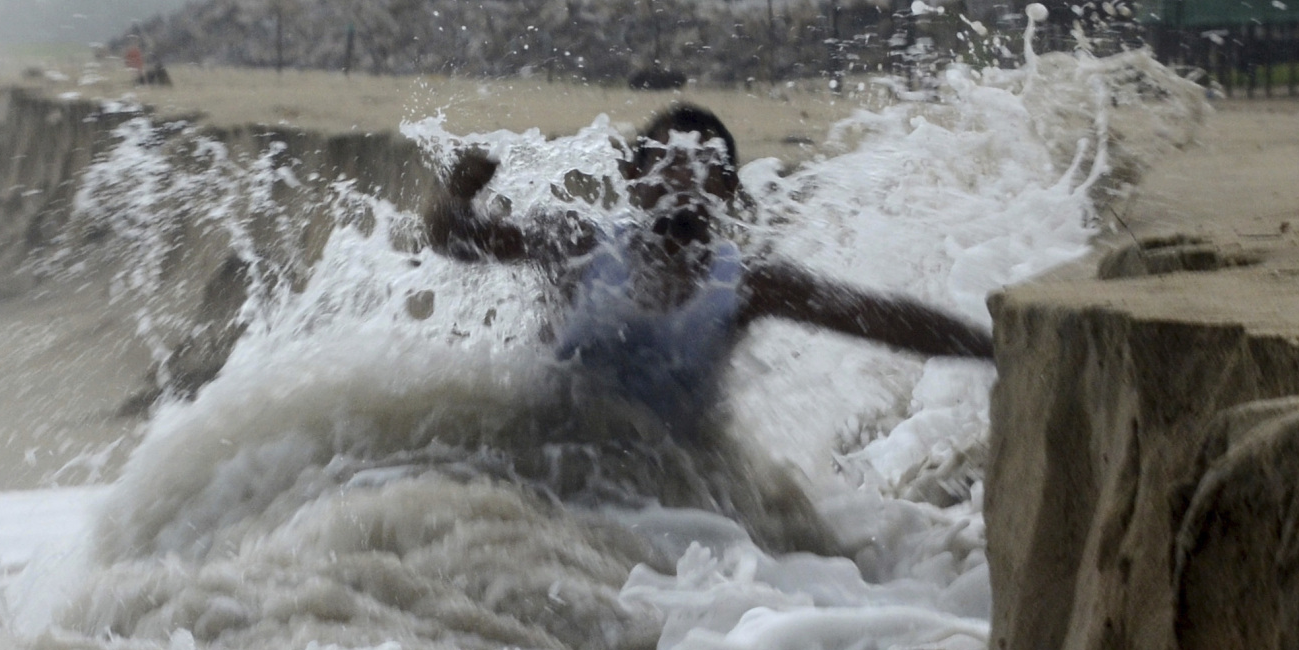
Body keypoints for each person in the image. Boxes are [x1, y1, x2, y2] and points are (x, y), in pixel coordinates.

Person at [424, 102, 991, 433]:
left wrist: (995, 348)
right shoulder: (580, 246)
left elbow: (880, 319)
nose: (682, 177)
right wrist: (456, 192)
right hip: (555, 461)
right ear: (633, 177)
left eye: (703, 166)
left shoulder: (746, 285)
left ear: (727, 189)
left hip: (674, 486)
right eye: (666, 161)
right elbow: (454, 240)